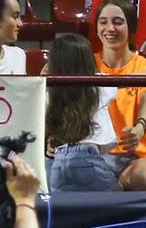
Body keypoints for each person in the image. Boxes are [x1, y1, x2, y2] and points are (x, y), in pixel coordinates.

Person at [92, 0, 146, 191]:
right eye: (103, 22)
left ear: (131, 28)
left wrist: (140, 128)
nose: (110, 29)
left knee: (142, 177)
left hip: (137, 156)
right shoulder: (87, 63)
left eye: (118, 22)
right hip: (94, 156)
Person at [44, 32, 121, 193]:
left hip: (58, 162)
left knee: (68, 213)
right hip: (88, 157)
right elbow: (124, 80)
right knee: (119, 197)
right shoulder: (100, 85)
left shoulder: (50, 92)